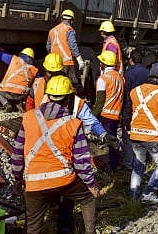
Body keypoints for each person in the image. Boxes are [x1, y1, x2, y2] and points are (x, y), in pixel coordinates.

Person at [11, 75, 100, 234]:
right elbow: (81, 161)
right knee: (87, 199)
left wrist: (18, 179)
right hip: (64, 180)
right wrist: (91, 185)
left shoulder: (28, 118)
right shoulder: (73, 123)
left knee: (32, 227)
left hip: (35, 183)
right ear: (68, 100)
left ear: (47, 96)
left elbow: (17, 153)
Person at [128, 63, 158, 204]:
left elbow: (127, 111)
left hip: (135, 135)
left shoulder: (135, 91)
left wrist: (128, 127)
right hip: (153, 137)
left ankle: (133, 194)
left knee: (138, 165)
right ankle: (148, 193)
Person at [92, 50, 125, 171]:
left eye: (101, 62)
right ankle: (114, 163)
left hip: (106, 114)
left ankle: (111, 166)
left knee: (107, 140)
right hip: (116, 114)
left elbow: (100, 101)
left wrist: (92, 116)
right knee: (113, 139)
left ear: (104, 64)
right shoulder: (120, 78)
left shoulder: (103, 79)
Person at [121, 49, 150, 169]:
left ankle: (129, 163)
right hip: (145, 106)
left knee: (128, 136)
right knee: (141, 134)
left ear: (131, 60)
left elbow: (125, 91)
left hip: (130, 106)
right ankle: (141, 161)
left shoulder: (129, 73)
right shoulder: (147, 72)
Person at [46, 9, 85, 88]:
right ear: (72, 21)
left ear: (61, 19)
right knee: (70, 84)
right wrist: (79, 60)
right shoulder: (69, 30)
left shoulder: (52, 30)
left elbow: (48, 47)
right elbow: (73, 46)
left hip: (55, 63)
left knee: (54, 83)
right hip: (67, 63)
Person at [0, 48, 38, 113]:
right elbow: (39, 81)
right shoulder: (34, 69)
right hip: (22, 96)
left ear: (21, 54)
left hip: (8, 92)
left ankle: (6, 104)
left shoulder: (14, 59)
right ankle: (19, 103)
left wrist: (1, 50)